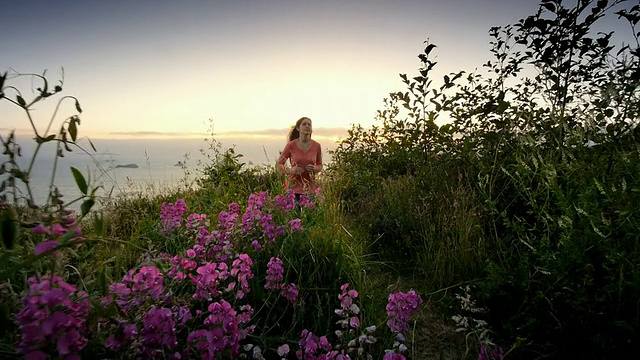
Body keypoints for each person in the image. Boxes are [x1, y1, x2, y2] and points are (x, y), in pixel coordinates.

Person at [278, 117, 323, 202]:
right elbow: (279, 164)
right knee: (295, 214)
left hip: (310, 189)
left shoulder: (317, 146)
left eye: (309, 124)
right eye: (304, 124)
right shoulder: (291, 145)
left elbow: (320, 165)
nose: (307, 126)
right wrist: (290, 170)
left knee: (311, 214)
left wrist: (315, 169)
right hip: (293, 188)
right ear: (298, 128)